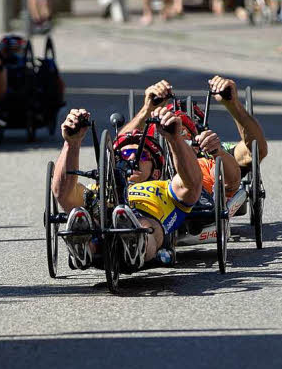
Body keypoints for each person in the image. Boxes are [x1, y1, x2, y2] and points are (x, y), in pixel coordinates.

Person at [51, 105, 205, 272]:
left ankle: (135, 240)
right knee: (83, 214)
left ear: (156, 171)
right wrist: (71, 143)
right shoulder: (96, 188)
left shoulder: (165, 186)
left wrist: (175, 139)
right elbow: (62, 194)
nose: (132, 157)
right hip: (100, 227)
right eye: (124, 155)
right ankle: (84, 245)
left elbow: (193, 183)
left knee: (144, 223)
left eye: (143, 155)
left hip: (148, 229)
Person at [123, 77, 268, 175]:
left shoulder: (211, 153)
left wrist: (233, 104)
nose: (175, 133)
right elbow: (118, 152)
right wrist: (146, 110)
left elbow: (255, 151)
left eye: (182, 130)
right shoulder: (148, 159)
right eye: (169, 127)